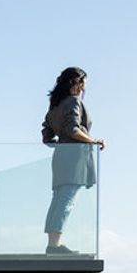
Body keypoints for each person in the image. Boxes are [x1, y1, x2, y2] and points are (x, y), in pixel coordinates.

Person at [41, 67, 104, 254]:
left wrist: (60, 143)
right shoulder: (73, 101)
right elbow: (73, 129)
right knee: (66, 201)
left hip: (61, 157)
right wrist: (94, 141)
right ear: (76, 83)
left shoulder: (55, 105)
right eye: (83, 83)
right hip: (74, 158)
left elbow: (46, 135)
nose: (84, 88)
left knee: (59, 200)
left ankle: (53, 243)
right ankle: (54, 245)